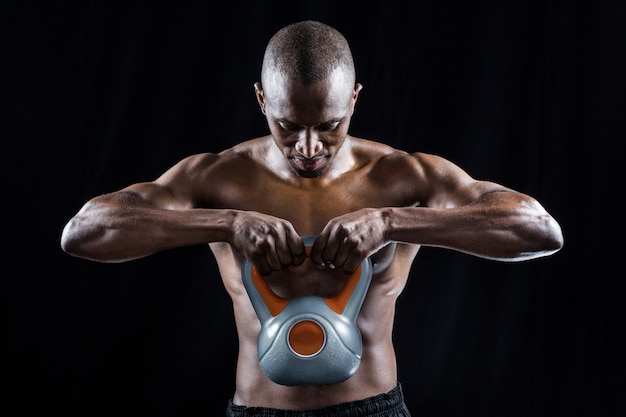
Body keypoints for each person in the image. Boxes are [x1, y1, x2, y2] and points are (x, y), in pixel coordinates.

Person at [60, 20, 564, 417]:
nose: (307, 147)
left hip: (374, 409)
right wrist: (227, 223)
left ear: (354, 99)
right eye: (286, 125)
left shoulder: (403, 175)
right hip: (260, 411)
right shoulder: (217, 177)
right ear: (261, 99)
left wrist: (391, 223)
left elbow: (538, 229)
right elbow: (84, 233)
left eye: (329, 125)